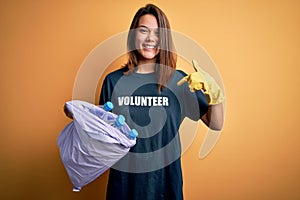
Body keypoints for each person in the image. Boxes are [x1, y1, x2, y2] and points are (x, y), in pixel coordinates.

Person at [98, 3, 224, 200]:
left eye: (157, 33)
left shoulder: (179, 81)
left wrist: (215, 95)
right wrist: (79, 116)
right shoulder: (113, 81)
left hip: (165, 186)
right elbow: (102, 137)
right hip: (124, 187)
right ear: (133, 35)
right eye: (143, 31)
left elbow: (216, 124)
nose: (150, 38)